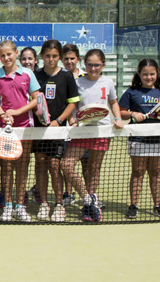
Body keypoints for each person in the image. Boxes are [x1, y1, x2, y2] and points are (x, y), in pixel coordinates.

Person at [59, 49, 124, 222]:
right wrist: (72, 121)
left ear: (103, 64)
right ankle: (88, 198)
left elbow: (113, 102)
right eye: (89, 64)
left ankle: (89, 206)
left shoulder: (108, 82)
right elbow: (72, 104)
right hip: (81, 131)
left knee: (93, 169)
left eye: (97, 65)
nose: (93, 68)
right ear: (84, 64)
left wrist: (117, 118)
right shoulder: (77, 82)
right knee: (66, 165)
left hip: (101, 131)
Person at [0, 40, 40, 222]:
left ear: (16, 53)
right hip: (6, 129)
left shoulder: (27, 74)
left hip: (25, 127)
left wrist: (17, 112)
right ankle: (8, 206)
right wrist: (3, 115)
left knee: (22, 167)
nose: (6, 58)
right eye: (2, 55)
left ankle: (20, 206)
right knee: (7, 168)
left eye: (9, 54)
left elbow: (36, 99)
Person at [31, 40, 79, 222]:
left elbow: (72, 102)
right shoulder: (35, 76)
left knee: (54, 165)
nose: (51, 60)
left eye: (54, 56)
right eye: (47, 56)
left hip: (58, 131)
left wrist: (58, 121)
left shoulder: (67, 77)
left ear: (59, 57)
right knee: (41, 164)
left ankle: (59, 204)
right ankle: (44, 203)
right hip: (39, 130)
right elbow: (32, 101)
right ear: (42, 56)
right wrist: (41, 117)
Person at [119, 59, 160, 219]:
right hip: (138, 138)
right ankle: (134, 205)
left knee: (156, 172)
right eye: (145, 74)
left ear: (157, 74)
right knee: (138, 172)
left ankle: (157, 205)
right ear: (139, 75)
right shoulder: (131, 92)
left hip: (157, 139)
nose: (149, 77)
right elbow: (121, 112)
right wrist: (133, 114)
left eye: (152, 74)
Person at [61, 43, 87, 206]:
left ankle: (90, 195)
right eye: (66, 59)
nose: (69, 61)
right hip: (67, 128)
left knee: (87, 164)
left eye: (72, 58)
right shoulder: (60, 76)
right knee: (66, 162)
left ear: (78, 59)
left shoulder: (86, 76)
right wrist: (71, 119)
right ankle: (68, 193)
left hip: (86, 128)